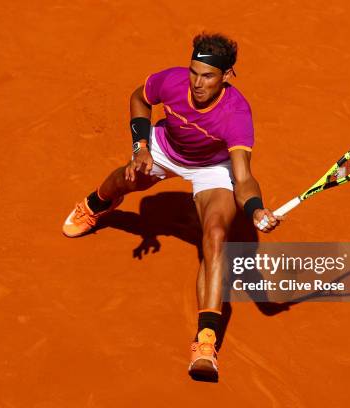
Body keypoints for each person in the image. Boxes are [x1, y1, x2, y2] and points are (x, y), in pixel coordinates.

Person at [63, 32, 280, 381]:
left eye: (207, 76)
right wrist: (141, 149)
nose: (197, 83)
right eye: (194, 72)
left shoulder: (236, 114)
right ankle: (96, 204)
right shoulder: (173, 80)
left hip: (213, 168)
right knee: (126, 180)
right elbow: (139, 98)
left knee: (215, 235)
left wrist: (255, 208)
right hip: (165, 147)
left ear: (226, 76)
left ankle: (205, 342)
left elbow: (243, 177)